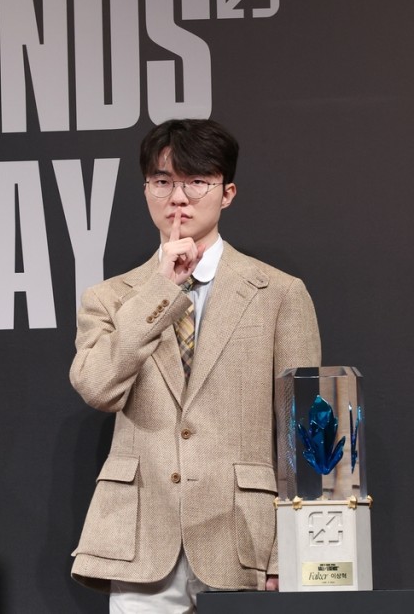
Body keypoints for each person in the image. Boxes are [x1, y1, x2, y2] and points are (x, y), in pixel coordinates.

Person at [68, 119, 321, 612]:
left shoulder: (279, 294)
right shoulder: (109, 298)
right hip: (140, 540)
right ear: (146, 191)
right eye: (162, 181)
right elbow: (98, 388)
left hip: (244, 537)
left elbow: (304, 434)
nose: (177, 198)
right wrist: (161, 291)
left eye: (195, 182)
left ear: (226, 193)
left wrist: (289, 551)